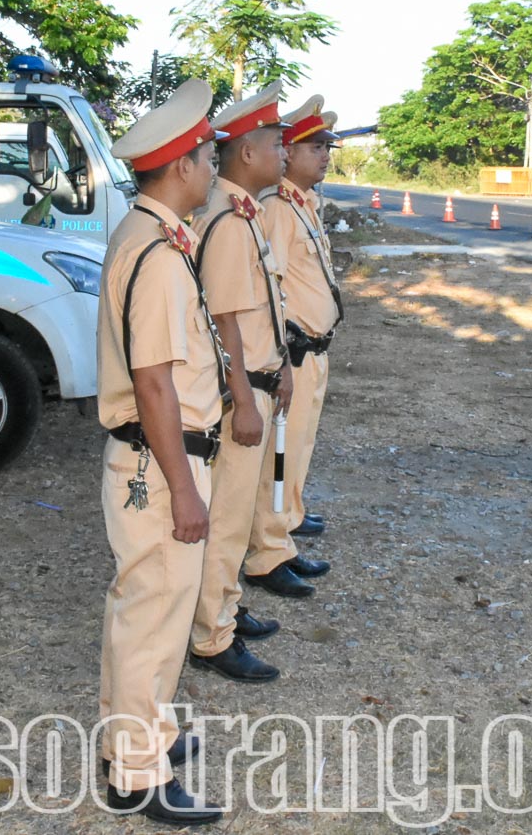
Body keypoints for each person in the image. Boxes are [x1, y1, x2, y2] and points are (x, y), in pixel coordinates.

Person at [97, 79, 225, 825]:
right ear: (181, 165)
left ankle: (138, 738)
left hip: (151, 457)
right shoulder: (157, 253)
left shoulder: (149, 236)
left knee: (143, 613)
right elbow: (153, 382)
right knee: (153, 621)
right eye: (208, 156)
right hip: (157, 462)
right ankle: (136, 775)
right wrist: (185, 489)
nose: (213, 167)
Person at [187, 81, 295, 685]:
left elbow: (257, 312)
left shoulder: (243, 213)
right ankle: (211, 635)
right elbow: (225, 317)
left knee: (235, 513)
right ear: (247, 155)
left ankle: (223, 603)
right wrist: (246, 396)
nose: (284, 154)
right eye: (276, 144)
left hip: (257, 379)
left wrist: (275, 372)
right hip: (239, 394)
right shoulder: (229, 221)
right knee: (226, 518)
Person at [249, 96, 342, 583]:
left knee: (298, 447)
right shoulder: (277, 208)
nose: (326, 154)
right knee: (278, 457)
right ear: (290, 151)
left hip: (314, 351)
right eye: (317, 146)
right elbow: (272, 290)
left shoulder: (301, 203)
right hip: (294, 353)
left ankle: (288, 521)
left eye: (328, 146)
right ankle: (268, 551)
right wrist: (282, 356)